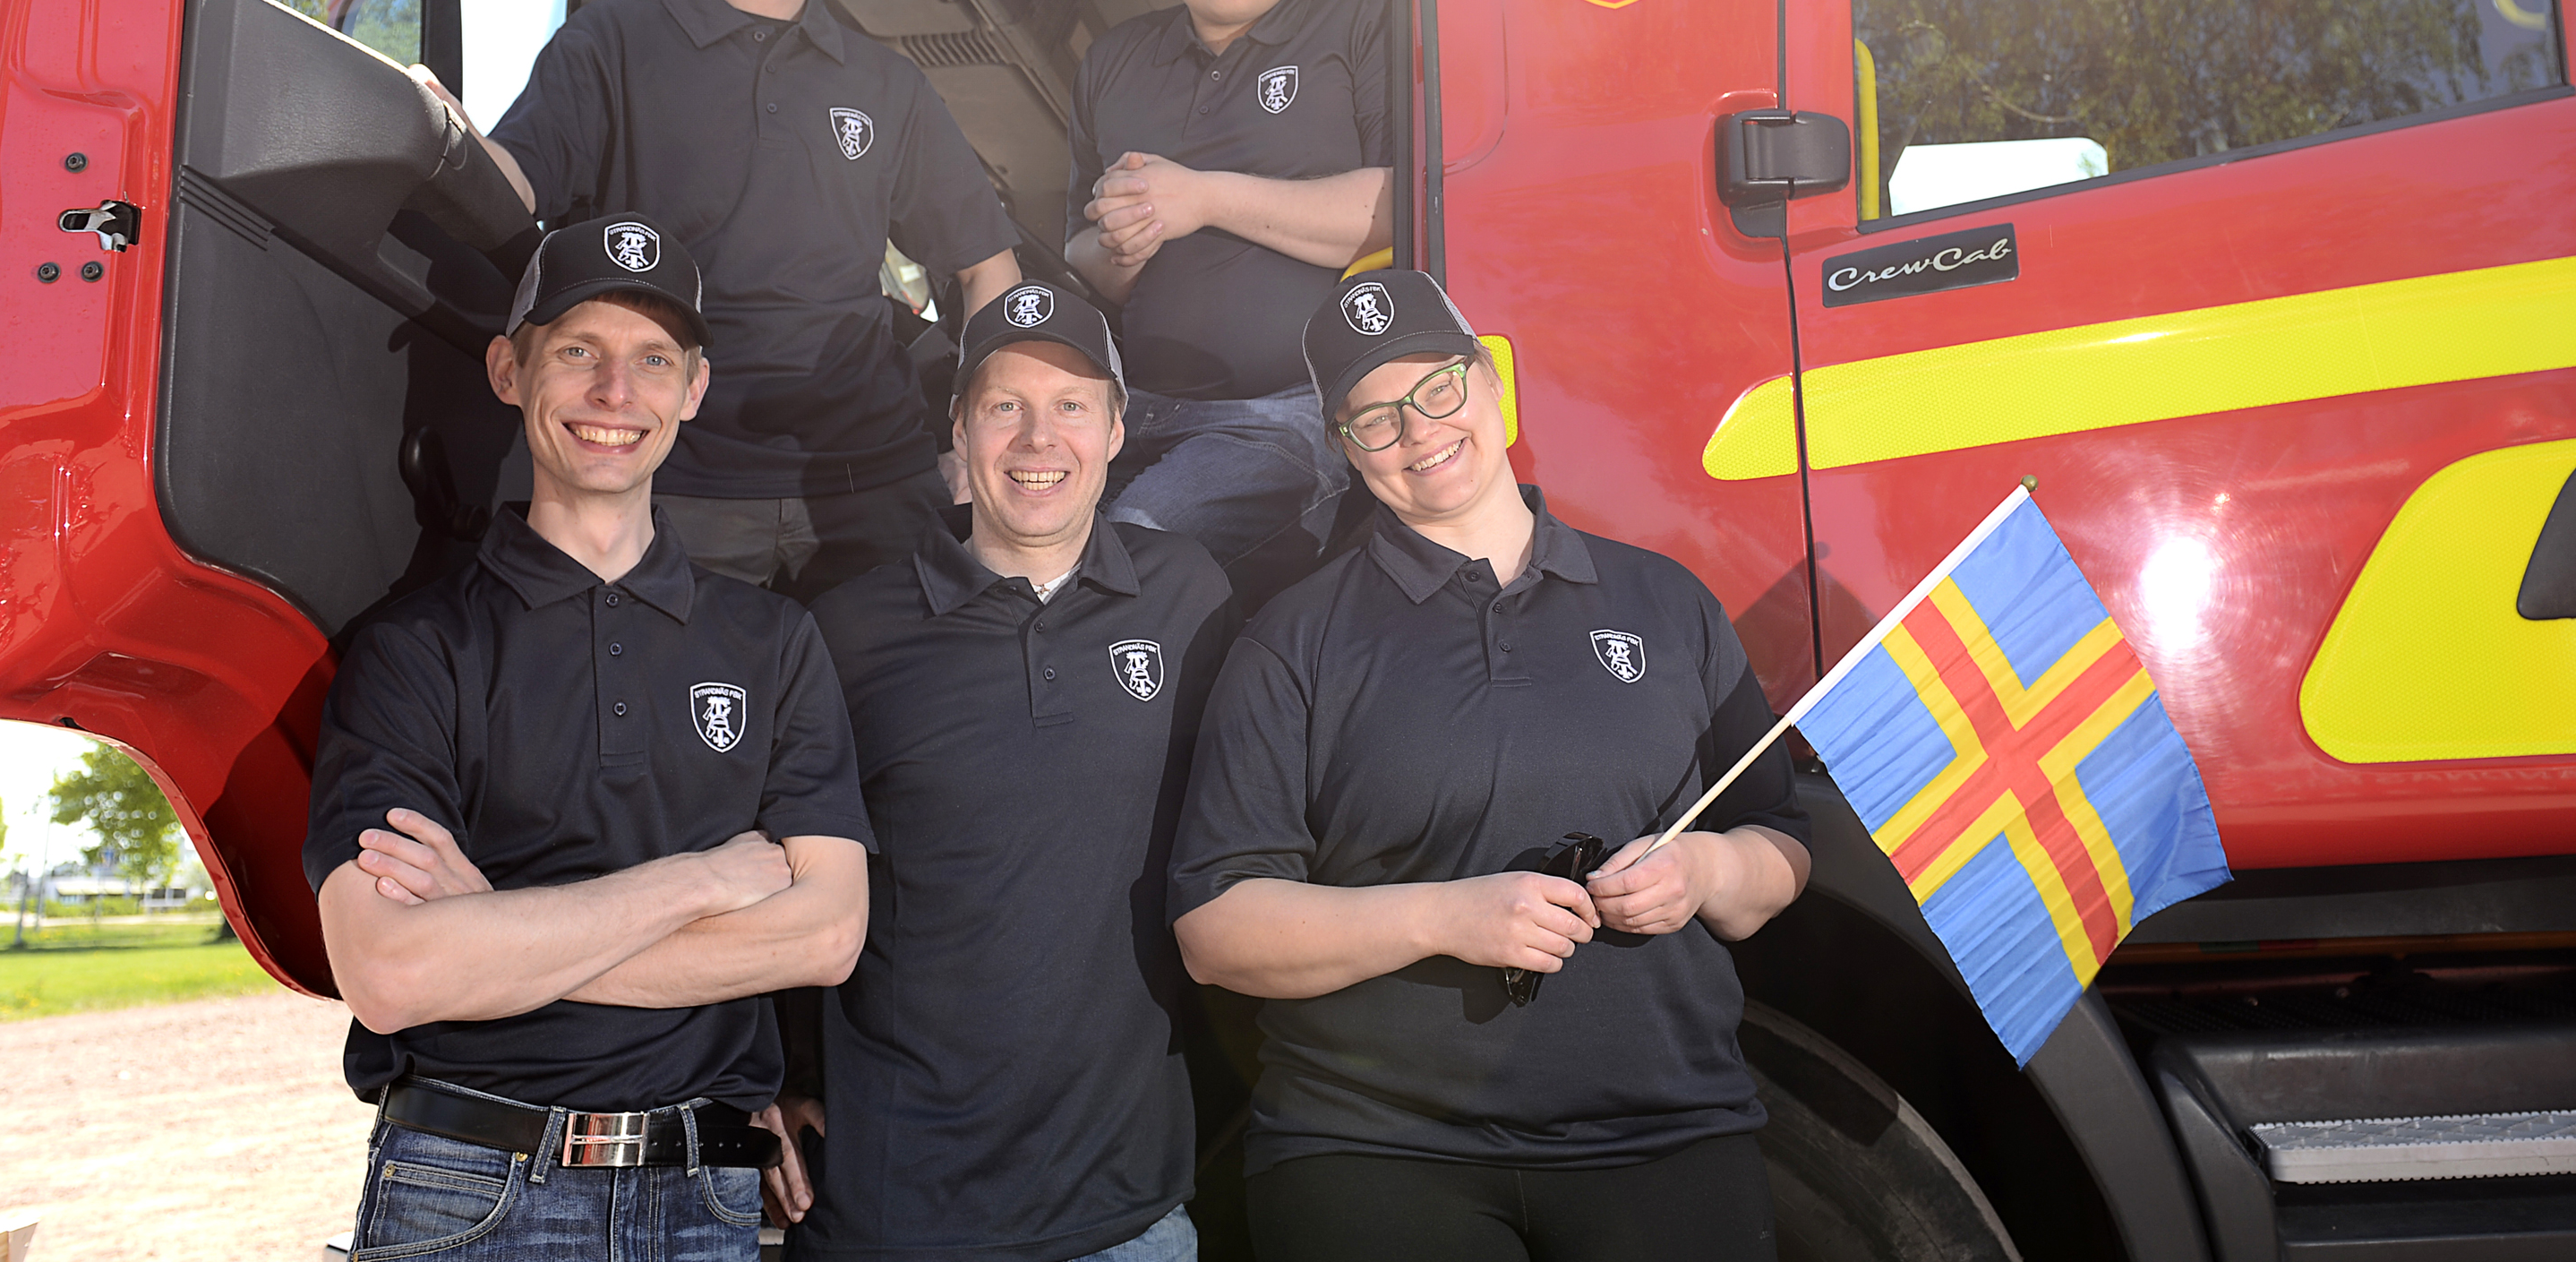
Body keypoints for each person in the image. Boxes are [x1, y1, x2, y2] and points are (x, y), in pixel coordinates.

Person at [1168, 270, 1810, 1262]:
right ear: (1344, 448)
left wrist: (1707, 869)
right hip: (1373, 1150)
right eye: (1375, 418)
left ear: (1491, 383)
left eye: (1437, 387)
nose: (1419, 432)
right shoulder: (1289, 642)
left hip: (1666, 1135)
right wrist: (1444, 918)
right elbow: (1217, 931)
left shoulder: (1665, 601)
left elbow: (1782, 845)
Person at [306, 215, 873, 1260]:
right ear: (508, 369)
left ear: (693, 389)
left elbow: (825, 935)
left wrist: (494, 931)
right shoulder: (413, 646)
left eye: (653, 358)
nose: (616, 391)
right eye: (578, 350)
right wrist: (700, 881)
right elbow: (389, 971)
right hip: (466, 1188)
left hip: (702, 1197)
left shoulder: (774, 641)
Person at [472, 0, 1024, 598]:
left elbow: (987, 267)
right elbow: (511, 185)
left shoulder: (888, 85)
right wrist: (443, 141)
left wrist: (982, 436)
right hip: (669, 482)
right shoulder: (610, 47)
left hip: (872, 485)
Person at [764, 283, 1235, 1260]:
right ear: (959, 429)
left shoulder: (1191, 597)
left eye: (1071, 405)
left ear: (1116, 428)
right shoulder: (848, 630)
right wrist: (768, 1074)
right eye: (1004, 406)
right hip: (891, 1210)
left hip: (1126, 1215)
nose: (1037, 438)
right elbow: (772, 868)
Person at [1065, 0, 1391, 565]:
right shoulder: (1114, 60)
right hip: (1131, 411)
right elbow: (1082, 256)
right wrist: (1124, 240)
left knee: (1126, 551)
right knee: (1007, 546)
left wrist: (1204, 197)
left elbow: (1398, 207)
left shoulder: (1360, 11)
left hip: (1290, 415)